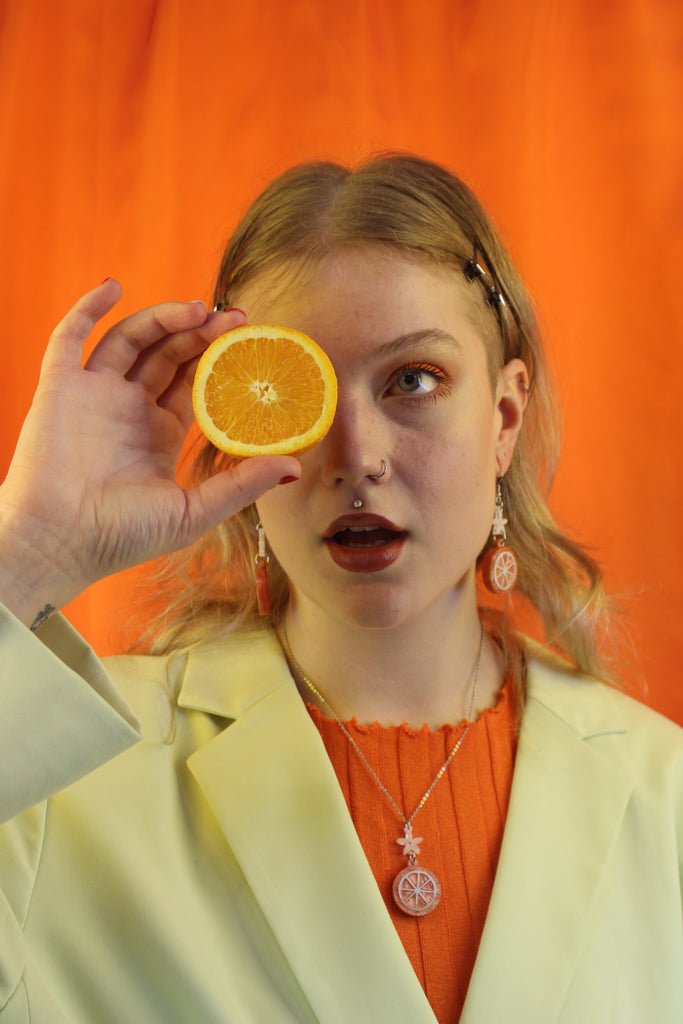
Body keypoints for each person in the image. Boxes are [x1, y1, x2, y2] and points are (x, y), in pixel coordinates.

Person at [0, 154, 681, 1024]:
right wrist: (27, 555)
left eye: (413, 381)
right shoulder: (50, 780)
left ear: (503, 419)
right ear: (236, 429)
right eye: (297, 393)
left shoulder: (665, 797)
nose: (356, 455)